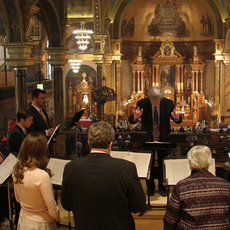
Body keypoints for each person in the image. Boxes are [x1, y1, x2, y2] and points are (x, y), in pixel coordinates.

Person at [61, 121, 146, 230]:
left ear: (88, 142)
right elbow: (138, 206)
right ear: (110, 144)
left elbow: (66, 205)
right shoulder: (127, 168)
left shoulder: (71, 168)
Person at [128, 86, 182, 197]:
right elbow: (131, 120)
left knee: (163, 163)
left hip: (163, 139)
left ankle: (163, 187)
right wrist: (135, 117)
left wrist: (176, 118)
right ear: (149, 99)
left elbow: (178, 120)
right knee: (149, 164)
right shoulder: (142, 103)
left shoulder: (168, 103)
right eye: (153, 101)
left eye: (157, 101)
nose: (155, 103)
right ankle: (150, 187)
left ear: (161, 98)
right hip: (148, 138)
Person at [164, 145, 230, 229]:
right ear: (209, 161)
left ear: (190, 164)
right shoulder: (226, 185)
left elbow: (171, 219)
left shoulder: (181, 187)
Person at [12, 132, 60, 230]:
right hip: (41, 223)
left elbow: (18, 199)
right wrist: (57, 217)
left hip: (24, 220)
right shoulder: (42, 176)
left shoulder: (17, 172)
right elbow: (52, 208)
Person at [8, 110, 33, 225]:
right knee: (19, 202)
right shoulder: (15, 134)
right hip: (19, 169)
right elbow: (18, 153)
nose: (31, 122)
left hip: (23, 167)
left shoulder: (21, 131)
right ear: (21, 120)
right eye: (30, 120)